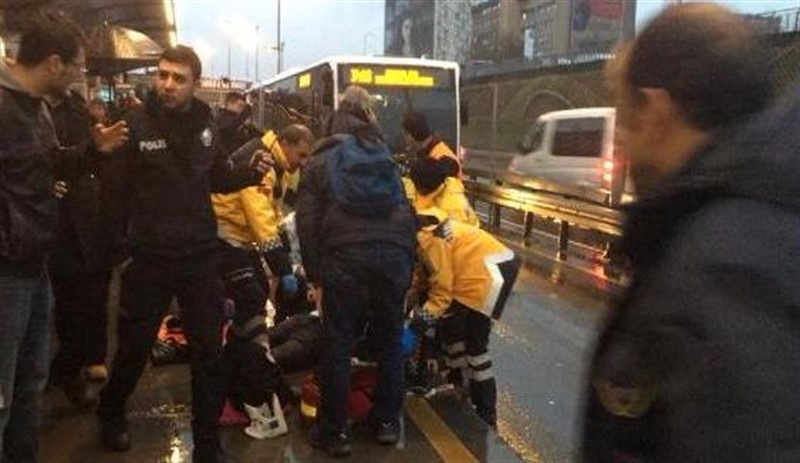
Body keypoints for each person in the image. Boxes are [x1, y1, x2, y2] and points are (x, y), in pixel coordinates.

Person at [581, 4, 799, 462]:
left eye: (624, 116)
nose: (620, 139)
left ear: (658, 110)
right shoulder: (767, 222)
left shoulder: (717, 273)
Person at [96, 45, 272, 463]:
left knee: (209, 355)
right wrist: (122, 256)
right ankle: (112, 411)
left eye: (178, 78)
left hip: (199, 259)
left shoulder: (206, 126)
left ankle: (207, 442)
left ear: (195, 84)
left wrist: (251, 172)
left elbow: (218, 177)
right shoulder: (133, 127)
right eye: (163, 75)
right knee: (134, 348)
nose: (168, 84)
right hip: (149, 260)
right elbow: (112, 198)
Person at [0, 11, 127, 462]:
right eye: (76, 66)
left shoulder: (38, 110)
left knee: (29, 387)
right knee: (2, 395)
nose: (79, 75)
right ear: (54, 63)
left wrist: (92, 151)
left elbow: (48, 163)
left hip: (35, 265)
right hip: (7, 270)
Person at [296, 85, 416, 457]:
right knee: (390, 339)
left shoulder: (320, 159)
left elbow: (307, 223)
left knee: (338, 341)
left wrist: (316, 277)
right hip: (393, 253)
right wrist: (407, 262)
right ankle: (385, 422)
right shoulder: (382, 152)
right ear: (368, 116)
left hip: (345, 257)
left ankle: (334, 432)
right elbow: (404, 207)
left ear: (334, 116)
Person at [211, 124, 313, 428]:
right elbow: (260, 218)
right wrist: (283, 267)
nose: (304, 161)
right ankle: (240, 394)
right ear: (285, 143)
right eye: (302, 154)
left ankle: (240, 389)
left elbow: (274, 214)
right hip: (224, 237)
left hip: (236, 239)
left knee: (250, 315)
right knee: (252, 312)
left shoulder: (279, 164)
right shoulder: (263, 161)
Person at [412, 206, 521, 427]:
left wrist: (416, 325)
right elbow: (430, 280)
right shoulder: (427, 233)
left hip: (490, 275)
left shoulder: (429, 243)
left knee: (476, 348)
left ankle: (486, 412)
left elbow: (441, 294)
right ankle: (463, 390)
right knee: (454, 332)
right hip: (487, 269)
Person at [45, 86, 114, 407]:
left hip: (89, 217)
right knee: (66, 305)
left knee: (92, 296)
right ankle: (62, 372)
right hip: (49, 227)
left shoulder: (73, 106)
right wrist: (44, 182)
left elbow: (84, 158)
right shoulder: (24, 109)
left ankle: (73, 366)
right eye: (76, 64)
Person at [407, 154, 479, 227]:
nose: (414, 188)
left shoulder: (453, 207)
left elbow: (455, 235)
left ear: (421, 188)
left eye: (415, 184)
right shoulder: (437, 184)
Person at [402, 110, 463, 179]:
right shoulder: (430, 151)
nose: (404, 140)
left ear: (410, 137)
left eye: (404, 135)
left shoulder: (441, 160)